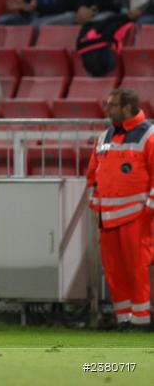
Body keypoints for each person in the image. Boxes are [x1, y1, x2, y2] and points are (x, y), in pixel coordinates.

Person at [86, 88, 154, 331]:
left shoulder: (149, 135)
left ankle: (141, 320)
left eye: (112, 105)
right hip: (108, 217)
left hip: (137, 216)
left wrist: (149, 208)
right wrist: (96, 204)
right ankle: (124, 319)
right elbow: (93, 173)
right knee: (114, 271)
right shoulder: (104, 136)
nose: (107, 109)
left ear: (126, 108)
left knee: (136, 269)